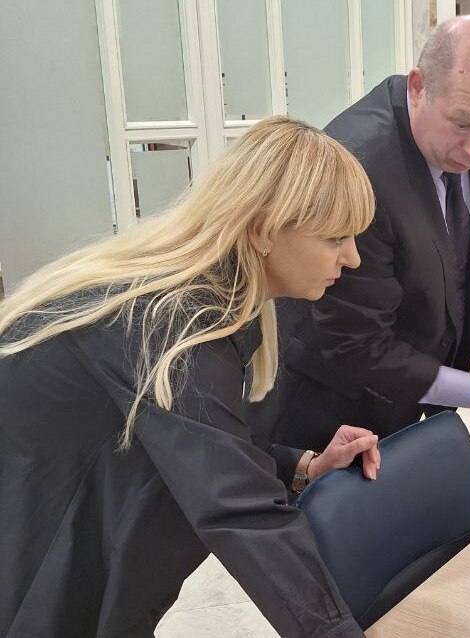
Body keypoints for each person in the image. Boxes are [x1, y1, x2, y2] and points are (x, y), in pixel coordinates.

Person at [0, 116, 379, 637]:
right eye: (336, 237)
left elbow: (203, 437)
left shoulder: (207, 299)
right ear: (263, 230)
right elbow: (243, 516)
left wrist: (301, 468)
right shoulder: (174, 324)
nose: (352, 257)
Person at [270, 15, 470, 450]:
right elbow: (357, 343)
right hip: (334, 399)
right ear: (419, 87)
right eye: (461, 124)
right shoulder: (359, 166)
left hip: (413, 378)